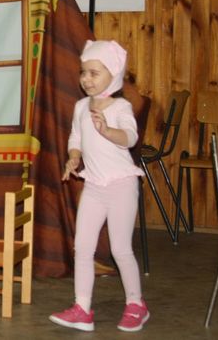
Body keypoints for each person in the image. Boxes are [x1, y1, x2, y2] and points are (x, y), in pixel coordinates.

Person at [49, 40, 149, 333]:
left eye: (94, 73)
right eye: (84, 72)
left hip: (121, 185)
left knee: (120, 248)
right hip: (93, 186)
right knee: (82, 248)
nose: (86, 79)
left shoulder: (121, 107)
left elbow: (130, 138)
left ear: (113, 75)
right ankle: (82, 308)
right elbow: (76, 137)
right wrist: (73, 157)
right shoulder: (81, 107)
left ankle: (136, 304)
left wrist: (107, 130)